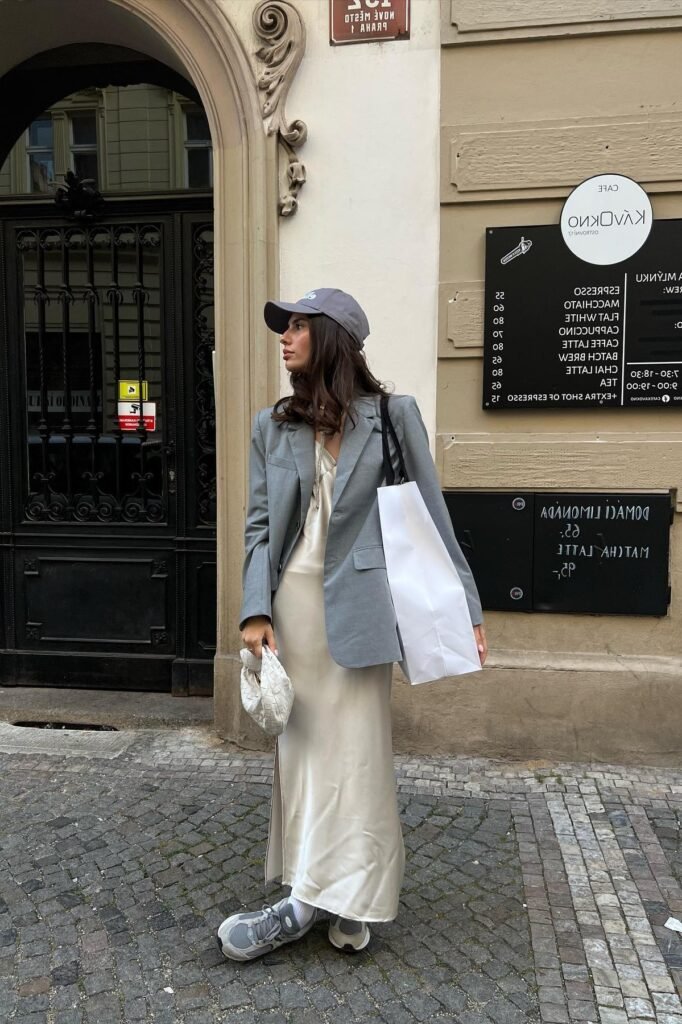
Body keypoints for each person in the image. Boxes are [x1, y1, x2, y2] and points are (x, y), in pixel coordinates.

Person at [217, 288, 486, 961]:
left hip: (362, 614)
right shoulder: (270, 426)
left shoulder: (393, 417)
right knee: (303, 759)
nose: (285, 338)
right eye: (285, 328)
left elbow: (431, 519)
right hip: (291, 616)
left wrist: (467, 608)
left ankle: (354, 894)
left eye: (299, 327)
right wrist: (253, 609)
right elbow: (257, 527)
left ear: (333, 338)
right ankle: (308, 894)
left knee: (358, 760)